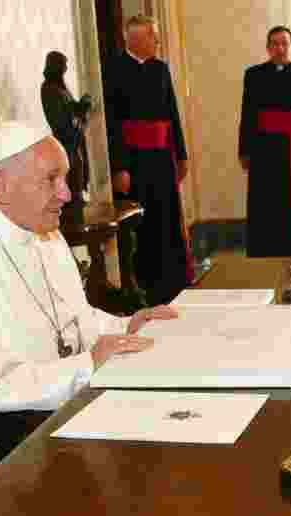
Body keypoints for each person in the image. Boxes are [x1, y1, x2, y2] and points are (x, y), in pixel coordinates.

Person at [0, 122, 178, 508]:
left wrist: (126, 326)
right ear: (2, 184)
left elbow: (72, 319)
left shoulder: (43, 233)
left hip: (53, 421)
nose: (66, 194)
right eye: (51, 179)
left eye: (65, 178)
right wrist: (86, 366)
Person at [104, 14, 192, 306]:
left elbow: (172, 114)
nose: (157, 41)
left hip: (162, 158)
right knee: (142, 224)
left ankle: (172, 283)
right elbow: (112, 124)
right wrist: (120, 166)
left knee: (166, 218)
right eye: (152, 36)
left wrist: (181, 155)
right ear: (135, 39)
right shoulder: (114, 69)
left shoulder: (161, 69)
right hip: (135, 163)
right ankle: (146, 287)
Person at [238, 26, 291, 257]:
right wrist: (244, 151)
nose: (280, 48)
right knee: (267, 202)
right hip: (264, 149)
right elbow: (247, 115)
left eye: (285, 43)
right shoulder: (253, 75)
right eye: (275, 43)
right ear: (268, 48)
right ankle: (267, 247)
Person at [41, 50, 91, 206]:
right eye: (63, 65)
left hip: (73, 140)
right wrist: (78, 113)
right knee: (72, 177)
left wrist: (82, 105)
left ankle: (77, 198)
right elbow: (60, 119)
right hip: (65, 141)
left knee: (78, 174)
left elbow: (72, 108)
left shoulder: (60, 87)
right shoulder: (48, 88)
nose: (65, 69)